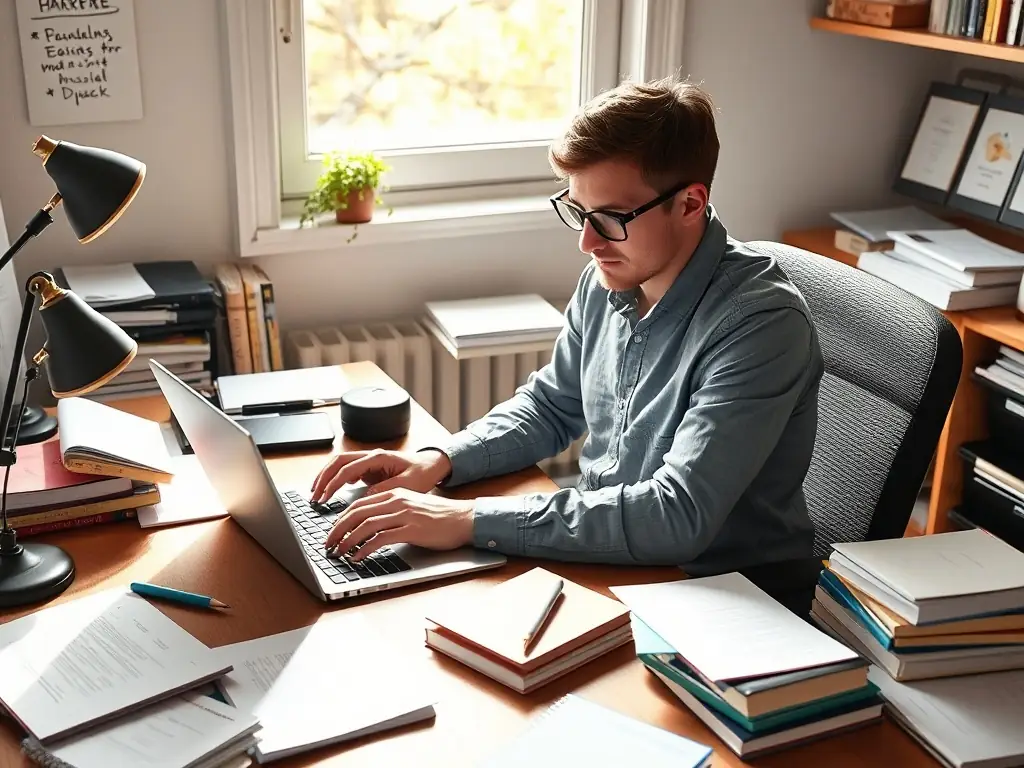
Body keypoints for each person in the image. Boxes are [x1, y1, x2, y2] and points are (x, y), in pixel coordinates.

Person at [312, 76, 824, 575]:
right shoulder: (607, 279)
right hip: (621, 564)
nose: (587, 242)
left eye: (610, 218)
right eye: (578, 211)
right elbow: (551, 407)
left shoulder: (760, 325)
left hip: (727, 594)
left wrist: (469, 518)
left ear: (689, 203)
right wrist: (439, 460)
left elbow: (677, 515)